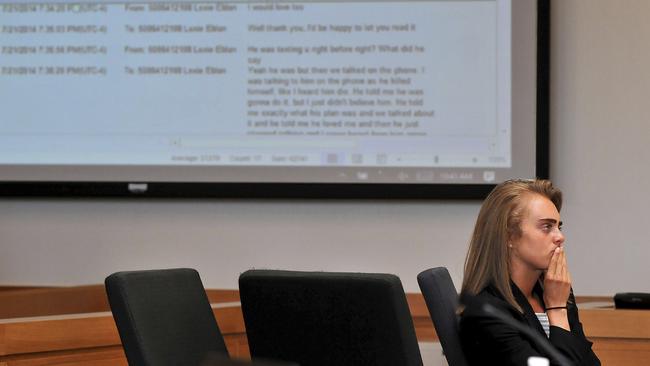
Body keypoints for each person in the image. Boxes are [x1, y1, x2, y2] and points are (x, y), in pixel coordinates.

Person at [459, 179, 600, 366]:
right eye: (546, 226)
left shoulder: (554, 291)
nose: (560, 237)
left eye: (559, 226)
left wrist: (558, 305)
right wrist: (557, 311)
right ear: (509, 236)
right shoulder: (487, 313)